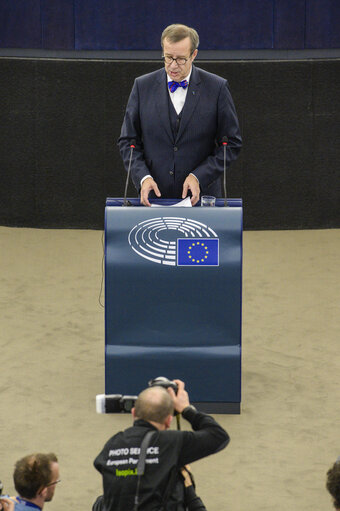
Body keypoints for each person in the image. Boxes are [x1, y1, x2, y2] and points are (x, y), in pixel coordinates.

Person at [118, 23, 242, 207]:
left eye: (181, 59)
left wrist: (198, 176)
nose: (173, 66)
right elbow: (128, 142)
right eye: (168, 57)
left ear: (194, 55)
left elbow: (231, 143)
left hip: (201, 198)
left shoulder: (217, 88)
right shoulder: (142, 86)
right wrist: (142, 177)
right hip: (154, 199)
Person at [94, 379, 229, 510]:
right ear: (168, 420)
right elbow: (218, 436)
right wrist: (186, 409)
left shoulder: (113, 443)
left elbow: (107, 469)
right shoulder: (172, 442)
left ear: (134, 413)